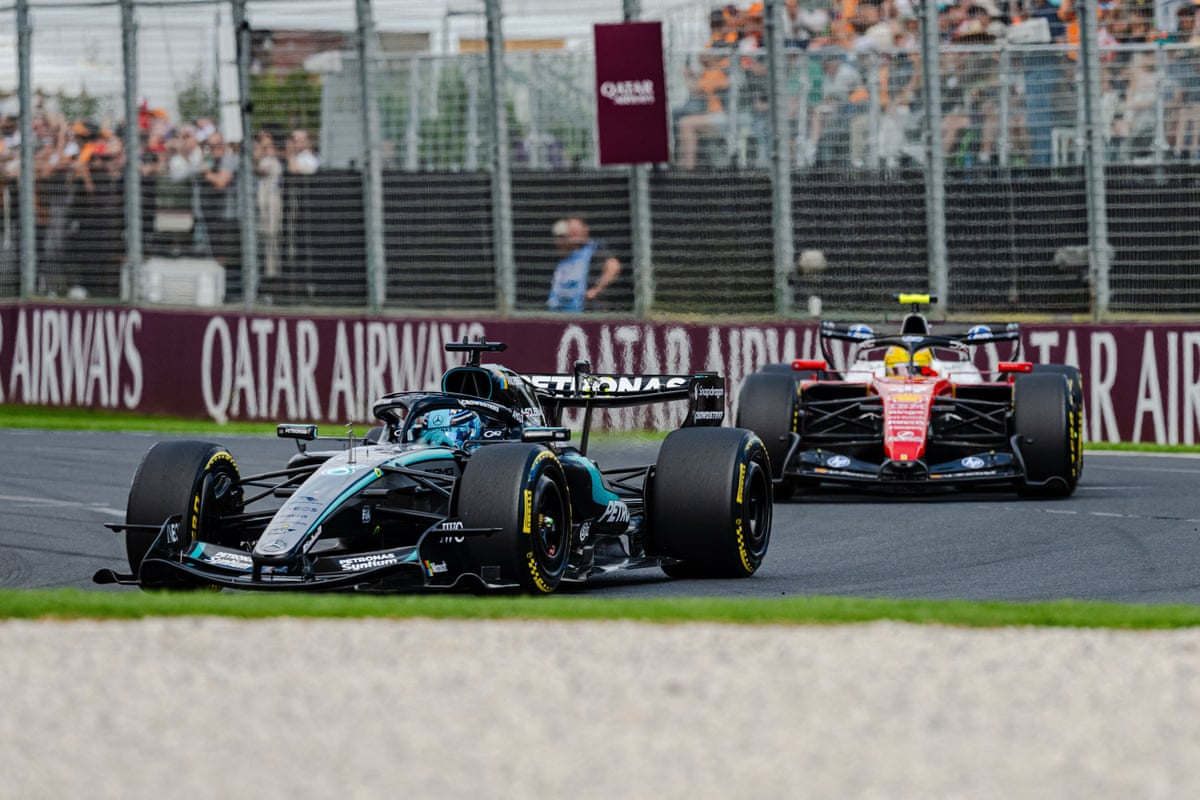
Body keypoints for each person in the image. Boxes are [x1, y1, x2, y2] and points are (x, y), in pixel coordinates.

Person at [198, 129, 241, 300]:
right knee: (217, 258)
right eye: (211, 146)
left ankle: (235, 294)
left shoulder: (231, 159)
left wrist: (206, 174)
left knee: (232, 259)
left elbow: (221, 181)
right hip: (215, 218)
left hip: (231, 219)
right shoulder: (211, 161)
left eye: (218, 145)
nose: (215, 149)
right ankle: (220, 293)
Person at [546, 215, 622, 313]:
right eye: (571, 232)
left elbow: (613, 267)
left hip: (587, 313)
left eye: (576, 231)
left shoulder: (596, 248)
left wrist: (597, 289)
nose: (573, 235)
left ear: (585, 230)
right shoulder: (567, 255)